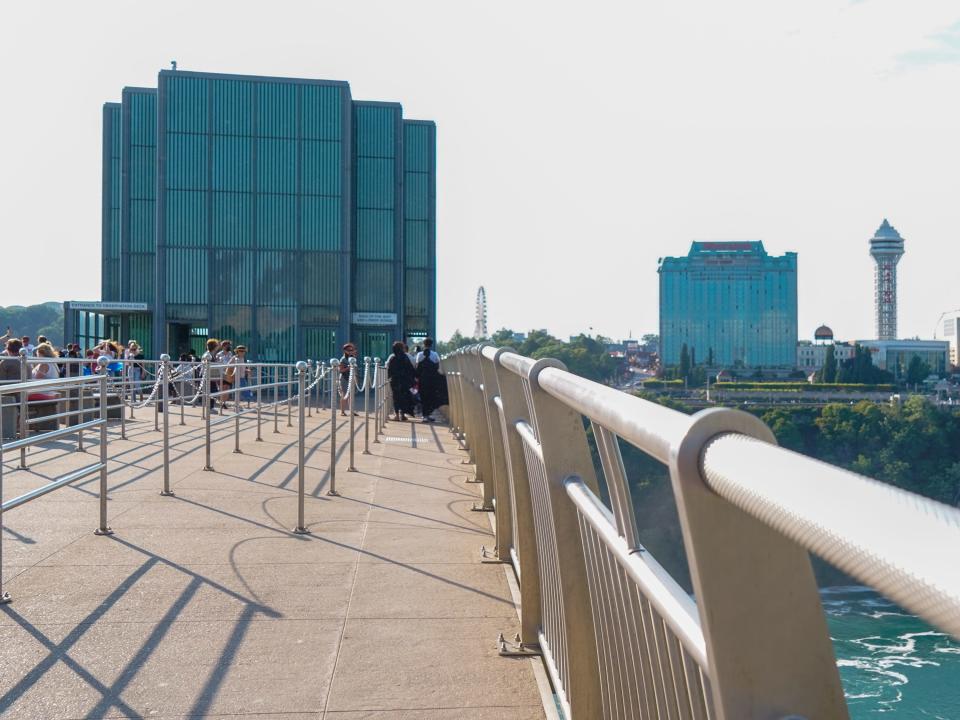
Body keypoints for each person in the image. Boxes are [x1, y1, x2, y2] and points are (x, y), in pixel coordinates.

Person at [415, 338, 443, 422]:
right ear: (431, 345)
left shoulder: (419, 354)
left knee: (423, 397)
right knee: (430, 397)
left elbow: (417, 367)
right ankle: (428, 414)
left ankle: (424, 415)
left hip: (422, 379)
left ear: (424, 344)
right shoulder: (435, 354)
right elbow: (438, 366)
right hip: (432, 380)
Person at [386, 340, 415, 422]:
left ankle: (397, 415)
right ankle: (403, 415)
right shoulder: (406, 357)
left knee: (396, 397)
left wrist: (389, 377)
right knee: (404, 397)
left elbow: (390, 369)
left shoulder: (393, 358)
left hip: (395, 381)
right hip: (405, 381)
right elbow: (411, 369)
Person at [338, 343, 358, 416]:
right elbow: (340, 370)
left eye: (353, 349)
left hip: (351, 378)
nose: (352, 351)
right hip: (344, 378)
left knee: (351, 395)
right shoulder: (343, 359)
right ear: (345, 351)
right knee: (344, 395)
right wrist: (348, 368)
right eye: (350, 350)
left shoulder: (352, 358)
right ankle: (342, 411)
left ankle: (352, 411)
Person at [216, 340, 235, 410]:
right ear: (223, 346)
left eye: (229, 345)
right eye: (227, 345)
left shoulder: (230, 354)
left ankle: (224, 403)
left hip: (228, 374)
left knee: (227, 389)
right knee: (222, 388)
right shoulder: (219, 354)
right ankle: (221, 402)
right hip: (221, 374)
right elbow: (217, 364)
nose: (229, 347)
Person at [205, 339, 221, 411]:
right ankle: (210, 407)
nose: (218, 347)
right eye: (217, 345)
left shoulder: (212, 354)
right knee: (212, 391)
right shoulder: (208, 355)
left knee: (213, 391)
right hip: (208, 376)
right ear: (214, 346)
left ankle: (211, 407)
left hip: (212, 376)